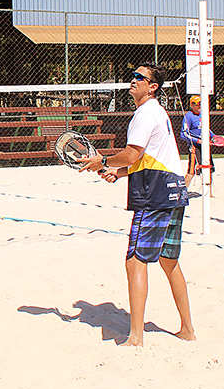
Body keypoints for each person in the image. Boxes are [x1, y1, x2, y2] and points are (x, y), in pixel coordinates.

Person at [79, 63, 195, 347]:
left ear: (152, 86)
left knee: (135, 261)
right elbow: (148, 158)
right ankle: (188, 330)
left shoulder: (145, 114)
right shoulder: (157, 112)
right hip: (175, 191)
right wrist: (117, 173)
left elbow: (132, 154)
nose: (133, 81)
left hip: (155, 195)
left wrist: (103, 161)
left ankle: (135, 338)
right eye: (132, 76)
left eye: (139, 78)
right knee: (169, 261)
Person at [180, 95, 216, 196]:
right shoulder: (188, 116)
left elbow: (206, 130)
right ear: (192, 105)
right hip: (195, 146)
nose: (200, 105)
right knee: (192, 170)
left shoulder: (203, 115)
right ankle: (182, 192)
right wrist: (198, 141)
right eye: (198, 103)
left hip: (205, 145)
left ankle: (209, 193)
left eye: (201, 103)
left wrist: (214, 137)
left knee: (209, 168)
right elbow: (184, 134)